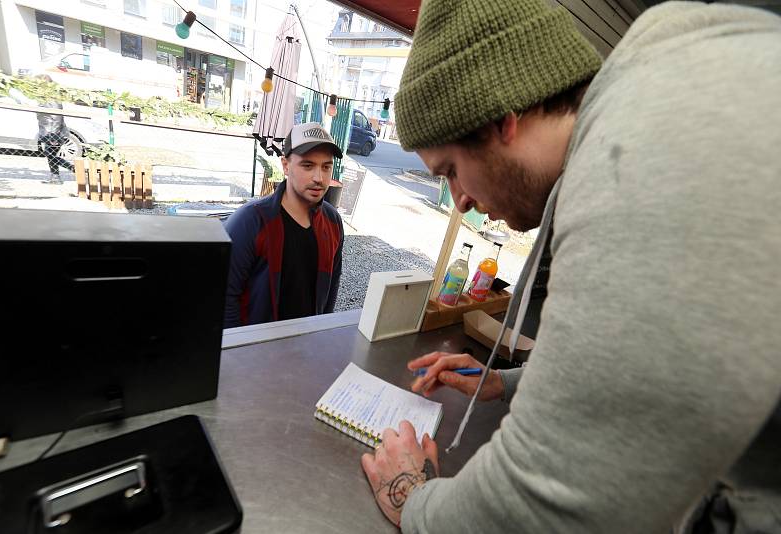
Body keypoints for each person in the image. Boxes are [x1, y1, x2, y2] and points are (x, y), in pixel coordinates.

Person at [360, 1, 781, 532]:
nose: (459, 199)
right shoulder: (657, 97)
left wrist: (412, 499)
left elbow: (549, 505)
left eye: (451, 170)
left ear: (500, 119)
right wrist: (507, 385)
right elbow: (647, 367)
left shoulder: (639, 161)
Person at [223, 122, 344, 328]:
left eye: (326, 166)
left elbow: (331, 286)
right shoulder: (251, 221)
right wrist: (240, 350)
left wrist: (321, 331)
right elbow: (225, 296)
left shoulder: (332, 222)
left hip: (307, 345)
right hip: (258, 349)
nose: (319, 178)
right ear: (286, 165)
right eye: (308, 165)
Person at [34, 75, 74, 184]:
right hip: (47, 131)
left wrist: (54, 135)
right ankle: (55, 177)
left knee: (50, 154)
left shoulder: (52, 97)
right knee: (50, 155)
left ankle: (73, 169)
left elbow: (57, 117)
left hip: (54, 132)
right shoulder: (45, 96)